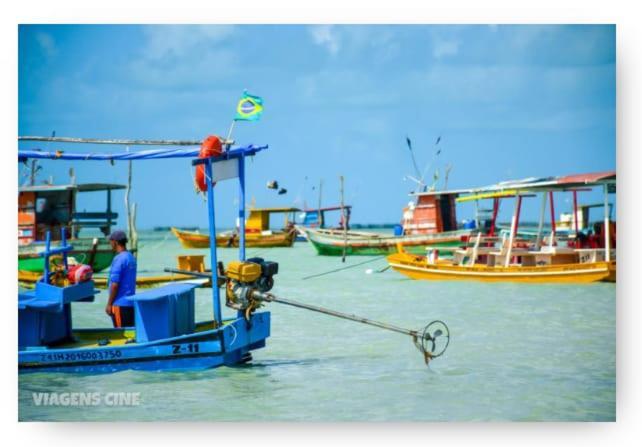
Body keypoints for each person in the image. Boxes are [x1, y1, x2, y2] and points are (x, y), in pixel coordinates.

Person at [105, 230, 137, 327]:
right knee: (129, 335)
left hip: (119, 304)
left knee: (121, 333)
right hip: (130, 303)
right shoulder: (131, 257)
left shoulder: (119, 259)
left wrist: (109, 304)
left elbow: (115, 285)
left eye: (110, 241)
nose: (110, 243)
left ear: (115, 242)